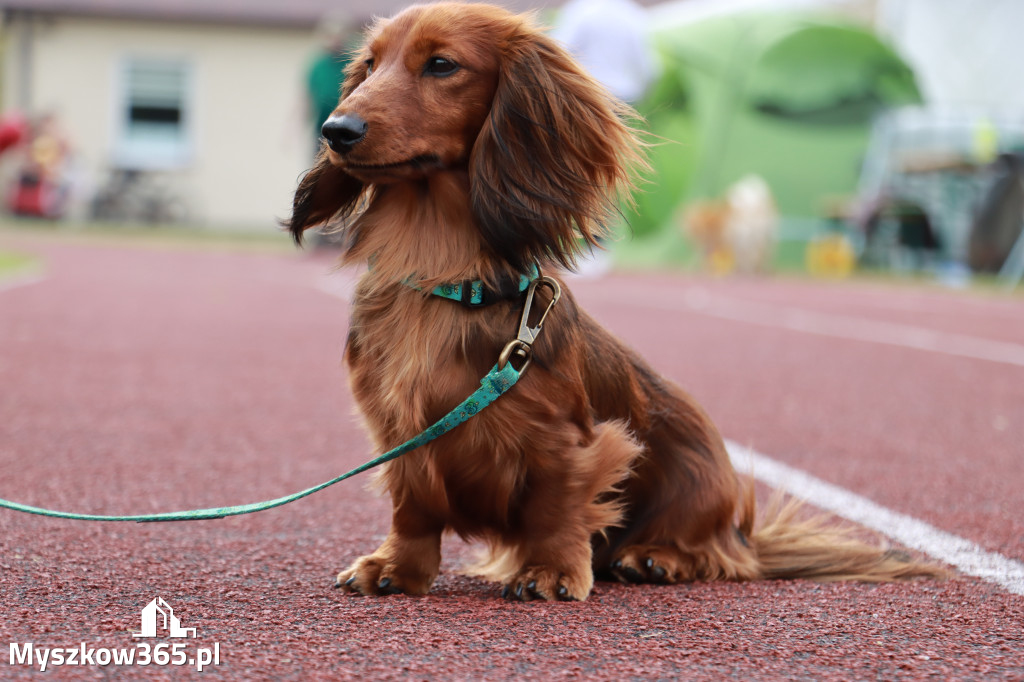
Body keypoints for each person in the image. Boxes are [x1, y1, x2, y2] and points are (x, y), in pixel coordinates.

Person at [552, 0, 657, 276]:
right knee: (608, 176)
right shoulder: (633, 15)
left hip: (586, 100)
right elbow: (649, 68)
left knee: (576, 173)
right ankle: (599, 247)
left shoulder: (581, 11)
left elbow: (557, 52)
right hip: (621, 103)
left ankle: (580, 245)